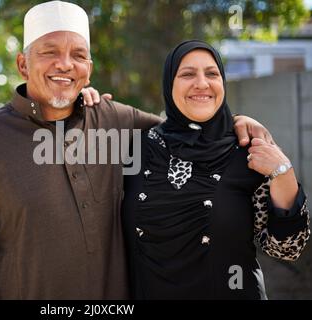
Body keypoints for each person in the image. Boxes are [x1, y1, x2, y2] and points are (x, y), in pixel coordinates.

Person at [0, 1, 274, 299]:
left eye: (78, 55)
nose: (65, 64)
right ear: (22, 64)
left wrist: (239, 122)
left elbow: (186, 124)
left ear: (88, 67)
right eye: (49, 52)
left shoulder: (116, 119)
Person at [122, 40, 310, 300]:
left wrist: (283, 173)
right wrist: (85, 99)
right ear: (169, 83)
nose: (202, 83)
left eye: (212, 74)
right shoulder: (136, 150)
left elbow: (287, 249)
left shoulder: (247, 150)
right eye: (187, 74)